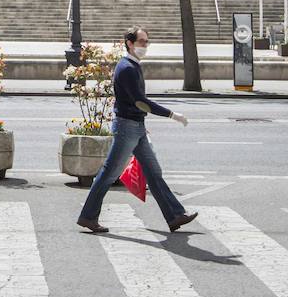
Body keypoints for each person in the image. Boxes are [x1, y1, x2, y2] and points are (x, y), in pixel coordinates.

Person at [76, 26, 197, 234]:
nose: (145, 46)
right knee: (108, 174)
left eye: (147, 42)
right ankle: (88, 216)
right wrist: (171, 115)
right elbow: (140, 101)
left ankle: (175, 215)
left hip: (135, 127)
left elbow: (134, 104)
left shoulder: (132, 66)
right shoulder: (127, 69)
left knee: (154, 172)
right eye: (142, 42)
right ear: (130, 43)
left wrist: (142, 126)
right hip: (126, 128)